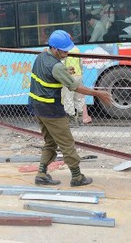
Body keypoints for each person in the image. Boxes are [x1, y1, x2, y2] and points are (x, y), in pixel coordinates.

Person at [29, 29, 112, 187]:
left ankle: (41, 174)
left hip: (37, 108)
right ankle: (77, 177)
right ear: (54, 48)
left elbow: (50, 72)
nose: (67, 53)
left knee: (50, 142)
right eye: (64, 50)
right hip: (51, 109)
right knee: (67, 143)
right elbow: (75, 87)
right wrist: (97, 93)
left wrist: (65, 71)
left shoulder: (41, 57)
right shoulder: (56, 67)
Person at [61, 46, 84, 128]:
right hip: (78, 75)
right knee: (78, 97)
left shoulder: (63, 50)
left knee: (68, 98)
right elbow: (81, 64)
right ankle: (80, 118)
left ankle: (72, 120)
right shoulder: (77, 49)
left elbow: (62, 64)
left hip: (69, 76)